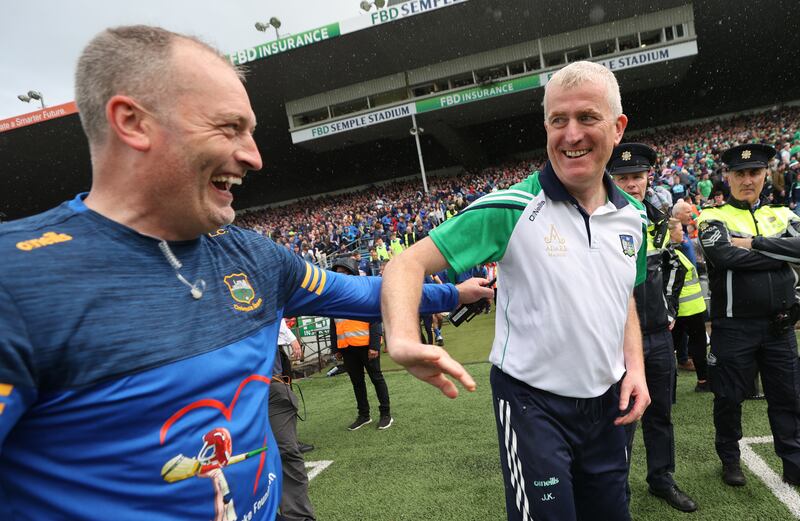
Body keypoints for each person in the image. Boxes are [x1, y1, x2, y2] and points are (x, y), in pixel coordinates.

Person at [0, 25, 491, 521]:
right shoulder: (19, 280)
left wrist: (453, 295)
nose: (254, 157)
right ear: (133, 123)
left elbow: (364, 293)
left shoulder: (255, 258)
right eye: (229, 128)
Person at [381, 61, 651, 521]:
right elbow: (406, 264)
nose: (571, 134)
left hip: (607, 404)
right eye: (558, 120)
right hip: (533, 406)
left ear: (618, 127)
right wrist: (404, 337)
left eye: (587, 117)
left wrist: (636, 368)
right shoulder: (512, 208)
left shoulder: (634, 216)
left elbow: (622, 293)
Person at [696, 143, 800, 487]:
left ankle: (794, 463)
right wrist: (781, 254)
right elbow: (725, 257)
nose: (747, 180)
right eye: (740, 173)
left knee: (788, 397)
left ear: (765, 174)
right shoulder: (712, 216)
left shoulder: (782, 214)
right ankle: (730, 460)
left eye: (754, 172)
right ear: (728, 176)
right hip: (733, 327)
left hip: (780, 326)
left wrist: (754, 242)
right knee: (728, 397)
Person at [608, 143, 697, 512]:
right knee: (622, 419)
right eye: (623, 178)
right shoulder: (598, 219)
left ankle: (662, 479)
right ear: (611, 179)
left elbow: (674, 266)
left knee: (660, 414)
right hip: (617, 341)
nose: (632, 184)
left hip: (659, 336)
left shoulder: (658, 221)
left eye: (638, 176)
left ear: (648, 178)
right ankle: (617, 491)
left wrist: (670, 308)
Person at [328, 257, 393, 431]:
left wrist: (374, 345)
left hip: (366, 346)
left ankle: (386, 414)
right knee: (357, 382)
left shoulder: (364, 291)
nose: (340, 275)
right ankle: (364, 415)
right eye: (338, 273)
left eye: (344, 272)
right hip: (347, 348)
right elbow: (333, 325)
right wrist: (336, 348)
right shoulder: (334, 298)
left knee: (376, 379)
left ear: (353, 273)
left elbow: (375, 319)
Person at [270, 319, 315, 521]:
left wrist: (290, 337)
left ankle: (300, 517)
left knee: (286, 450)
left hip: (269, 385)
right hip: (221, 393)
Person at [668, 219, 710, 393]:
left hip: (687, 309)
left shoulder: (676, 251)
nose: (683, 234)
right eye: (680, 230)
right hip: (686, 310)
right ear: (670, 234)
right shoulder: (670, 255)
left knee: (674, 347)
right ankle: (703, 381)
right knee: (695, 345)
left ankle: (672, 388)